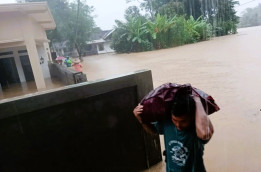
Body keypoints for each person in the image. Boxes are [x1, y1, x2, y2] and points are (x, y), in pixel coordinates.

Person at [133, 93, 214, 172]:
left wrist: (197, 100)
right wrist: (141, 119)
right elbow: (154, 131)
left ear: (192, 117)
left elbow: (204, 134)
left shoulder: (197, 127)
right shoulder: (167, 122)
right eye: (175, 120)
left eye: (183, 121)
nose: (178, 125)